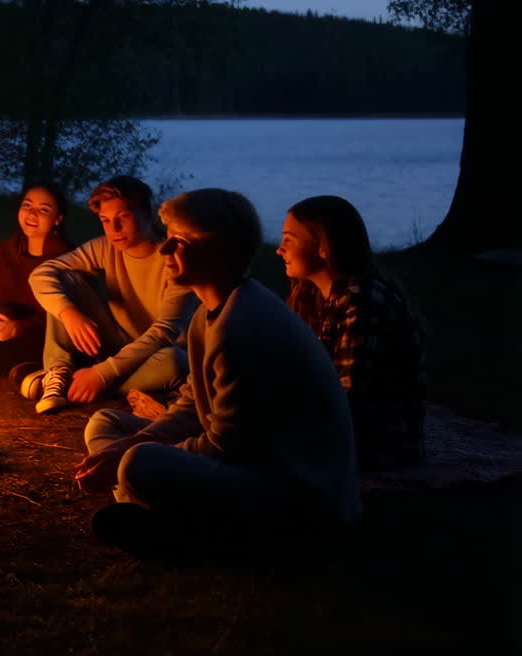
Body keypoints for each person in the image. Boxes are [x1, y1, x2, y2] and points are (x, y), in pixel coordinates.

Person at [77, 189, 361, 553]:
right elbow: (192, 405)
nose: (164, 250)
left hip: (296, 491)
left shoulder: (242, 324)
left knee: (139, 462)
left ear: (218, 251)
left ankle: (197, 533)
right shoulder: (208, 314)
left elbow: (227, 445)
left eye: (178, 241)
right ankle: (151, 507)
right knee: (107, 427)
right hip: (250, 466)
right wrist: (124, 447)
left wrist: (134, 455)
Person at [23, 176, 196, 413]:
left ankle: (82, 386)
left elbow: (164, 333)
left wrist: (101, 375)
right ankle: (58, 373)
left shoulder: (173, 258)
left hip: (154, 356)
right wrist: (68, 312)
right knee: (63, 279)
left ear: (146, 213)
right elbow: (41, 274)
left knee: (176, 362)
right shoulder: (104, 246)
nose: (113, 229)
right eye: (105, 220)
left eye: (123, 217)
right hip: (114, 346)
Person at [277, 195, 426, 470]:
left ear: (323, 246)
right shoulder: (310, 294)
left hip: (373, 440)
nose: (278, 250)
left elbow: (350, 397)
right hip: (326, 421)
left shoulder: (361, 302)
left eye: (289, 239)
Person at [0, 183, 73, 376]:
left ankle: (37, 371)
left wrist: (20, 327)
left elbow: (60, 316)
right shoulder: (7, 250)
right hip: (9, 326)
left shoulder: (66, 258)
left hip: (43, 334)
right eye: (27, 206)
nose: (32, 214)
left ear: (57, 219)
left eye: (43, 210)